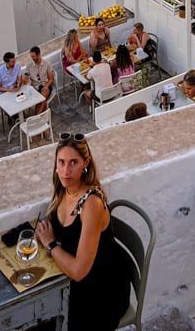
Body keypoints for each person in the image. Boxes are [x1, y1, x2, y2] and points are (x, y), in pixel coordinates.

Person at [35, 135, 134, 331]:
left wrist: (51, 244)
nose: (65, 170)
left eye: (73, 163)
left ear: (86, 163)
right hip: (78, 280)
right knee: (38, 311)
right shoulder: (65, 188)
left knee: (45, 319)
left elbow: (79, 271)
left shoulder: (91, 204)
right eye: (61, 162)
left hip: (102, 289)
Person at [28, 45, 56, 113]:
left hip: (45, 85)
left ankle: (37, 116)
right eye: (31, 57)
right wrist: (25, 79)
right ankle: (40, 117)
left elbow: (51, 79)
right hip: (35, 88)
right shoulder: (29, 66)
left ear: (39, 55)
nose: (32, 58)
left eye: (34, 56)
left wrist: (46, 86)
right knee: (42, 101)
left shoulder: (47, 64)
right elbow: (26, 79)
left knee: (44, 91)